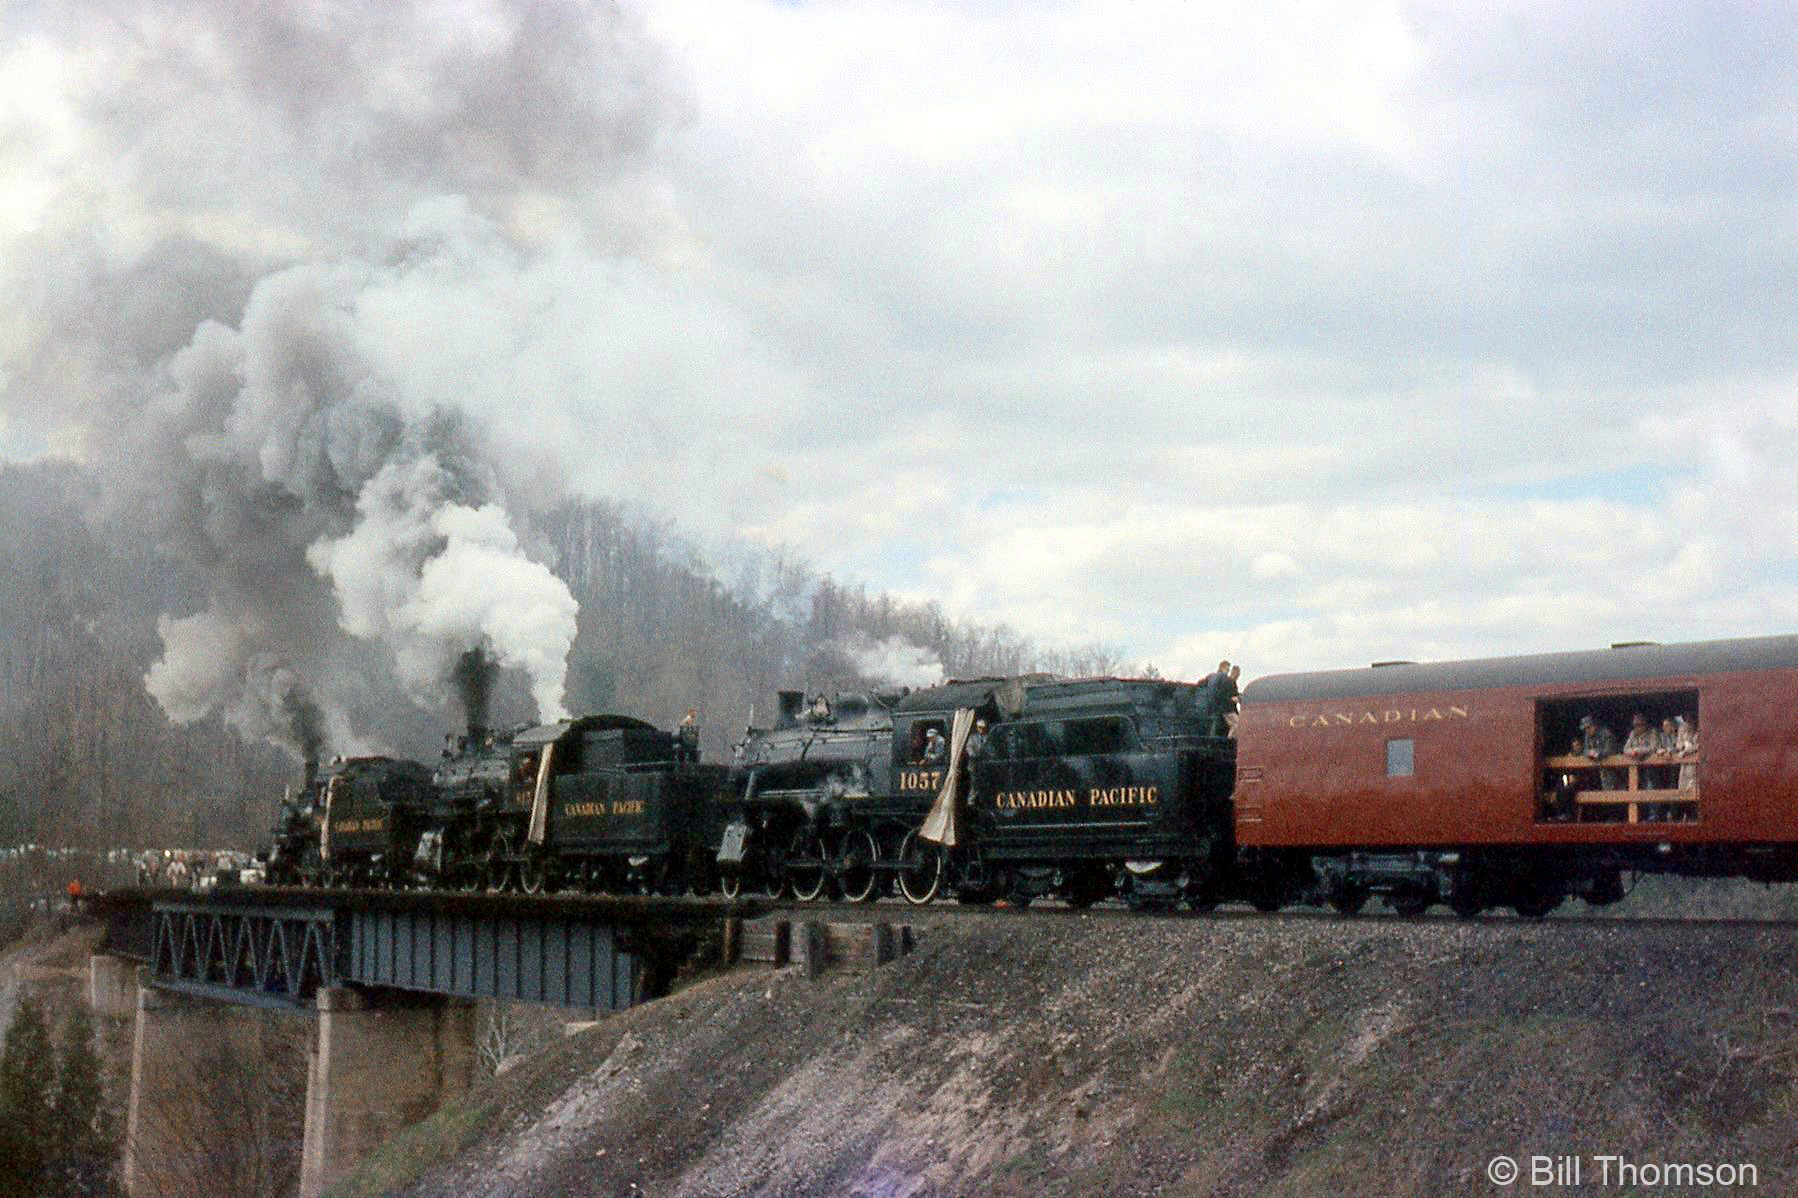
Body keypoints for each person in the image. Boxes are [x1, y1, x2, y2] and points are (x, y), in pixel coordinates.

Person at [1580, 715, 1622, 792]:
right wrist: (1590, 753)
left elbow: (1610, 751)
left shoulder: (1606, 733)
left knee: (1615, 792)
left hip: (1614, 768)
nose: (1587, 730)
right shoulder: (1587, 736)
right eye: (1585, 728)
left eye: (1589, 727)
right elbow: (1585, 751)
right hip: (1599, 768)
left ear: (1594, 725)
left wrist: (1597, 753)